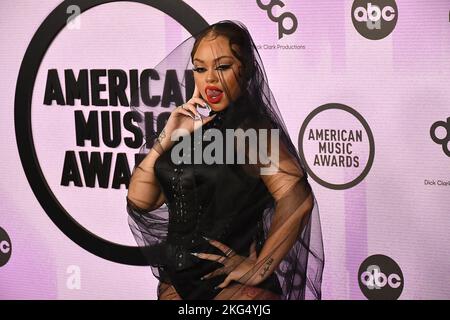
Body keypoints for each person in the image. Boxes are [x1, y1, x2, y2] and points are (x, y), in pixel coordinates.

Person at [126, 20, 324, 300]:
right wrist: (166, 139)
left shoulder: (251, 131)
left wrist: (259, 268)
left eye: (222, 66)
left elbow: (298, 198)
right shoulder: (188, 127)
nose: (210, 79)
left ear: (247, 72)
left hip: (233, 290)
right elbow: (140, 200)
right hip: (176, 284)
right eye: (200, 68)